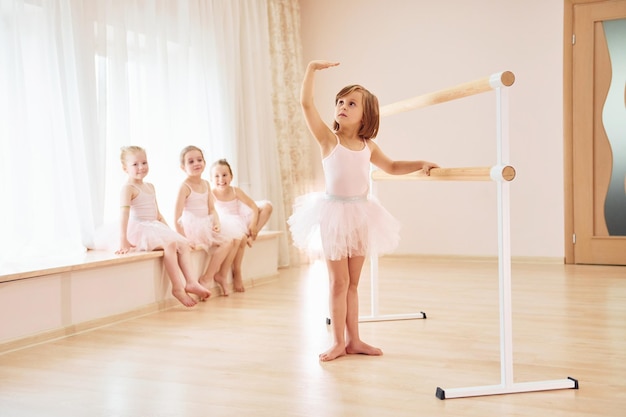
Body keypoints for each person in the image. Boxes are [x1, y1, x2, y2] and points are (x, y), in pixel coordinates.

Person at [288, 60, 439, 362]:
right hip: (333, 216)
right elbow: (305, 104)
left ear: (365, 115)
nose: (342, 106)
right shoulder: (329, 140)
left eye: (351, 103)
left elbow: (393, 166)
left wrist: (420, 163)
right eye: (340, 102)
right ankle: (337, 342)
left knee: (353, 284)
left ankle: (354, 340)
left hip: (360, 215)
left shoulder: (368, 145)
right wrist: (311, 70)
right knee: (338, 282)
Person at [116, 145, 211, 307]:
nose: (141, 167)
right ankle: (177, 288)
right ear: (125, 168)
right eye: (135, 164)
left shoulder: (150, 186)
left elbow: (158, 214)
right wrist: (123, 239)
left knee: (181, 243)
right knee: (170, 244)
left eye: (144, 162)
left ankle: (191, 282)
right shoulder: (128, 188)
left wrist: (171, 232)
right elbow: (124, 215)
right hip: (139, 229)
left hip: (153, 226)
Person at [174, 145, 236, 296]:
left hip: (206, 224)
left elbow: (212, 209)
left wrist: (216, 222)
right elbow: (177, 217)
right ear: (183, 167)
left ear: (204, 162)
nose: (196, 163)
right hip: (192, 228)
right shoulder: (185, 187)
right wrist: (185, 238)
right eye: (191, 161)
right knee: (224, 242)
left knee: (229, 241)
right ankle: (207, 279)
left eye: (199, 160)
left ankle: (207, 277)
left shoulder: (206, 184)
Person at [210, 159, 273, 293]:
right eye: (216, 176)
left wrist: (253, 225)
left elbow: (253, 207)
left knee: (267, 206)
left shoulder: (235, 191)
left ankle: (252, 236)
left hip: (241, 218)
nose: (221, 179)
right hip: (227, 221)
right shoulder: (212, 194)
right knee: (240, 239)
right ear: (211, 179)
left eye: (225, 175)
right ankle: (236, 272)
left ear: (231, 177)